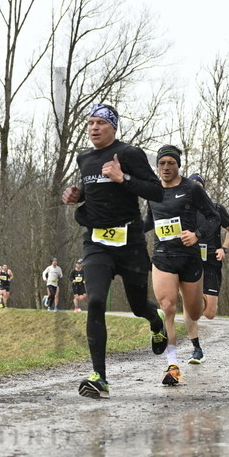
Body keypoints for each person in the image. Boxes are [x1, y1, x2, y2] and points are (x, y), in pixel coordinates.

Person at [61, 103, 168, 399]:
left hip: (130, 242)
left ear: (113, 127)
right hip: (96, 243)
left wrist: (125, 179)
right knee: (95, 301)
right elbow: (90, 189)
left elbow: (156, 192)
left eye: (100, 123)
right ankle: (100, 378)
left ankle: (156, 321)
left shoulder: (129, 154)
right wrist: (75, 194)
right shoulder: (84, 158)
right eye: (90, 122)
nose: (93, 127)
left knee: (137, 307)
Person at [143, 145, 220, 386]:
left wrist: (197, 234)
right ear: (157, 166)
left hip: (190, 258)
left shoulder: (192, 189)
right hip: (163, 256)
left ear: (178, 165)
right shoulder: (152, 191)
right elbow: (149, 221)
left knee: (195, 313)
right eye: (162, 163)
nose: (166, 167)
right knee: (167, 306)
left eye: (171, 163)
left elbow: (214, 217)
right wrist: (126, 232)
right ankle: (172, 365)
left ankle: (199, 301)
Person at [182, 173, 229, 364]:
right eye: (192, 184)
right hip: (189, 261)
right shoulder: (182, 209)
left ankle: (196, 300)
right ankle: (196, 349)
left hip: (211, 261)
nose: (196, 187)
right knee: (189, 309)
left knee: (209, 313)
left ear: (203, 189)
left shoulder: (215, 208)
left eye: (199, 184)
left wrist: (225, 249)